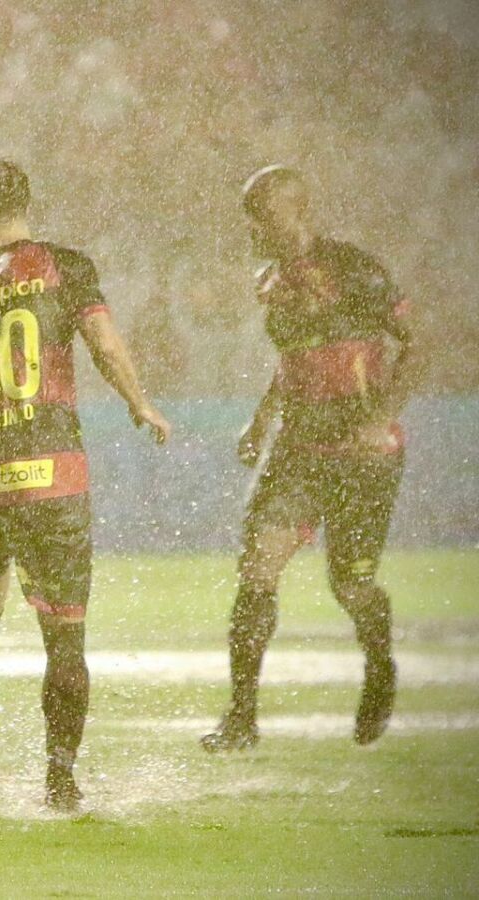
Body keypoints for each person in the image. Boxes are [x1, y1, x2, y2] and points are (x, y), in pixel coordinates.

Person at [0, 160, 171, 810]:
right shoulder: (63, 267)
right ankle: (60, 775)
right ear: (24, 203)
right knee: (64, 634)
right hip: (52, 481)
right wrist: (140, 404)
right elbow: (105, 346)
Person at [202, 166, 420, 751]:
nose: (254, 228)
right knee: (258, 565)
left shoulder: (354, 268)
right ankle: (241, 718)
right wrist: (261, 416)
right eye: (249, 215)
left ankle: (379, 665)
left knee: (350, 585)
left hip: (361, 451)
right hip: (299, 444)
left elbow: (417, 344)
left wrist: (380, 418)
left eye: (263, 215)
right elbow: (297, 358)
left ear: (298, 211)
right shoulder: (269, 279)